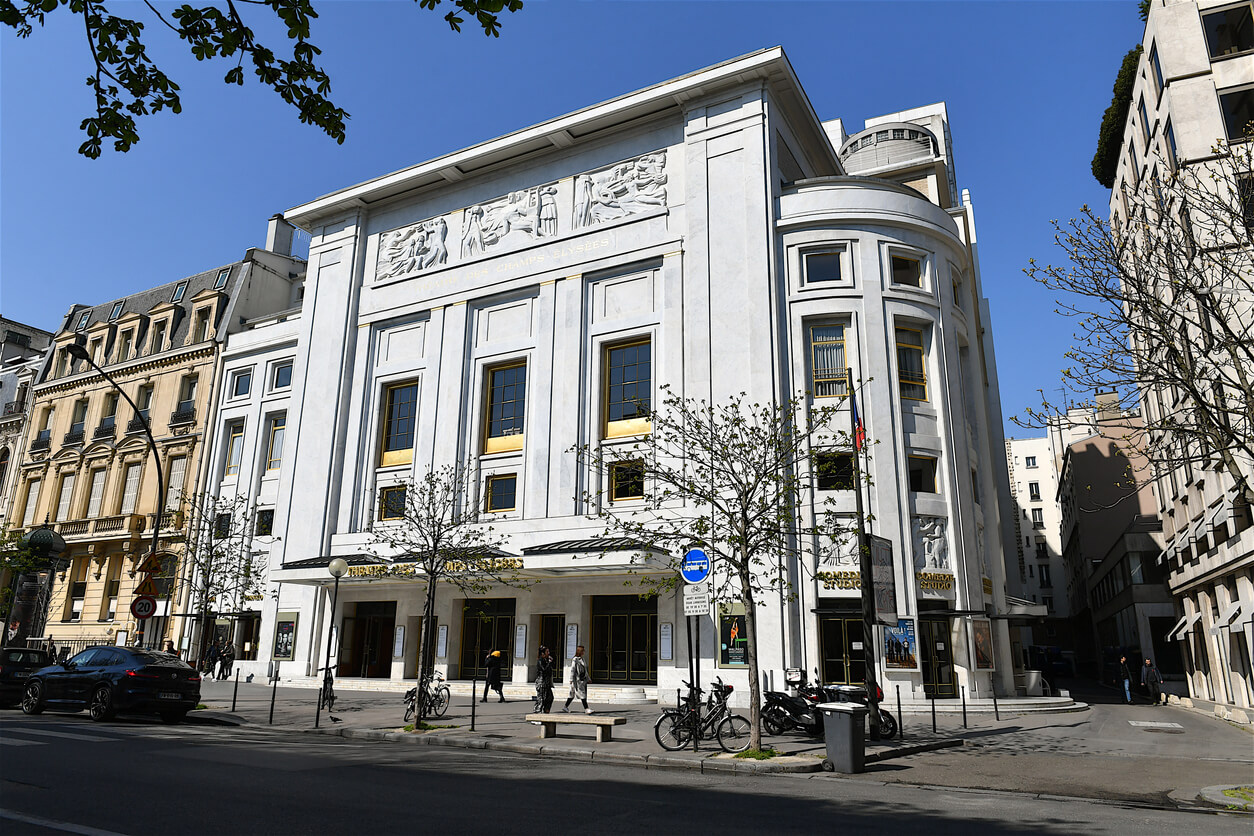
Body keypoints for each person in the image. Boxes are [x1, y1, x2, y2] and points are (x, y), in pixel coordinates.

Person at [562, 645, 591, 714]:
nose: (584, 652)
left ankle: (565, 707)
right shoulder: (575, 659)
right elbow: (573, 669)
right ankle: (586, 709)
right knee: (582, 694)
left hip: (582, 679)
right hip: (577, 680)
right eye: (583, 650)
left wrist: (588, 678)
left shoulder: (582, 659)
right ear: (580, 651)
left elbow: (585, 670)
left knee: (572, 694)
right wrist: (571, 679)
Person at [535, 645, 555, 714]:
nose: (548, 653)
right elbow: (544, 670)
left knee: (550, 698)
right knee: (541, 699)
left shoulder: (546, 661)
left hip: (547, 683)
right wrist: (549, 663)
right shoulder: (540, 661)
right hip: (541, 682)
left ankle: (546, 712)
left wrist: (550, 662)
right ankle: (537, 714)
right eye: (547, 652)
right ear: (542, 653)